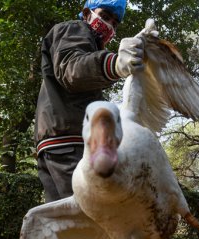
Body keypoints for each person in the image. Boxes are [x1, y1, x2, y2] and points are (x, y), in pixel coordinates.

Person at [34, 0, 144, 203]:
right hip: (68, 140)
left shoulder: (91, 46)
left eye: (114, 22)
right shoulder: (74, 28)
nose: (109, 24)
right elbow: (72, 70)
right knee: (89, 217)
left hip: (58, 141)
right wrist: (114, 63)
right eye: (104, 15)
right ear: (86, 13)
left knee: (66, 222)